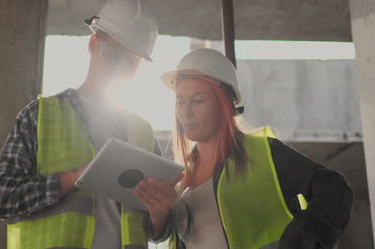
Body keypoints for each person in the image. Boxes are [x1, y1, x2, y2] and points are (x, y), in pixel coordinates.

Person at [0, 0, 160, 249]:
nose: (121, 68)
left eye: (131, 63)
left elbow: (155, 231)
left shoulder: (142, 132)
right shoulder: (39, 116)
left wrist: (161, 211)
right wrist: (69, 179)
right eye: (113, 55)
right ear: (92, 43)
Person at [134, 48, 354, 249]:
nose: (186, 112)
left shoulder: (261, 154)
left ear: (225, 105)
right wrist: (159, 215)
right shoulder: (181, 176)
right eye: (180, 101)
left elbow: (335, 190)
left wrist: (296, 242)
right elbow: (166, 236)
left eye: (198, 100)